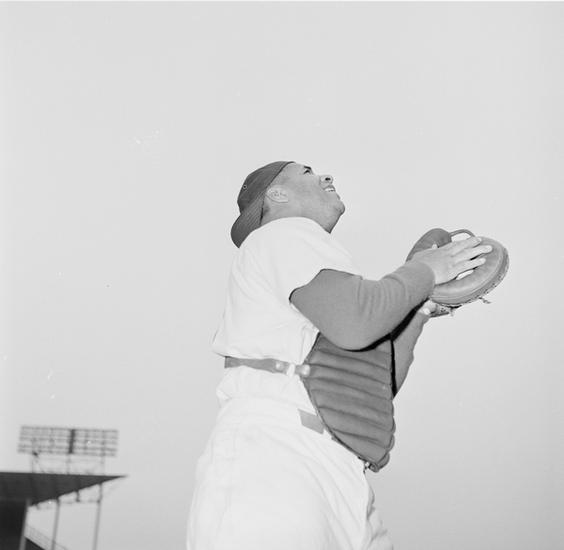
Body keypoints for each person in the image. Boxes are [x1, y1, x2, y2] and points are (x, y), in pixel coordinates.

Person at [187, 161, 491, 550]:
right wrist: (423, 272)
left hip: (333, 463)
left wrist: (418, 309)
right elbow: (355, 321)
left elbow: (369, 389)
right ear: (277, 195)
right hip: (273, 455)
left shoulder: (314, 265)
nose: (326, 177)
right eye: (307, 172)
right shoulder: (281, 233)